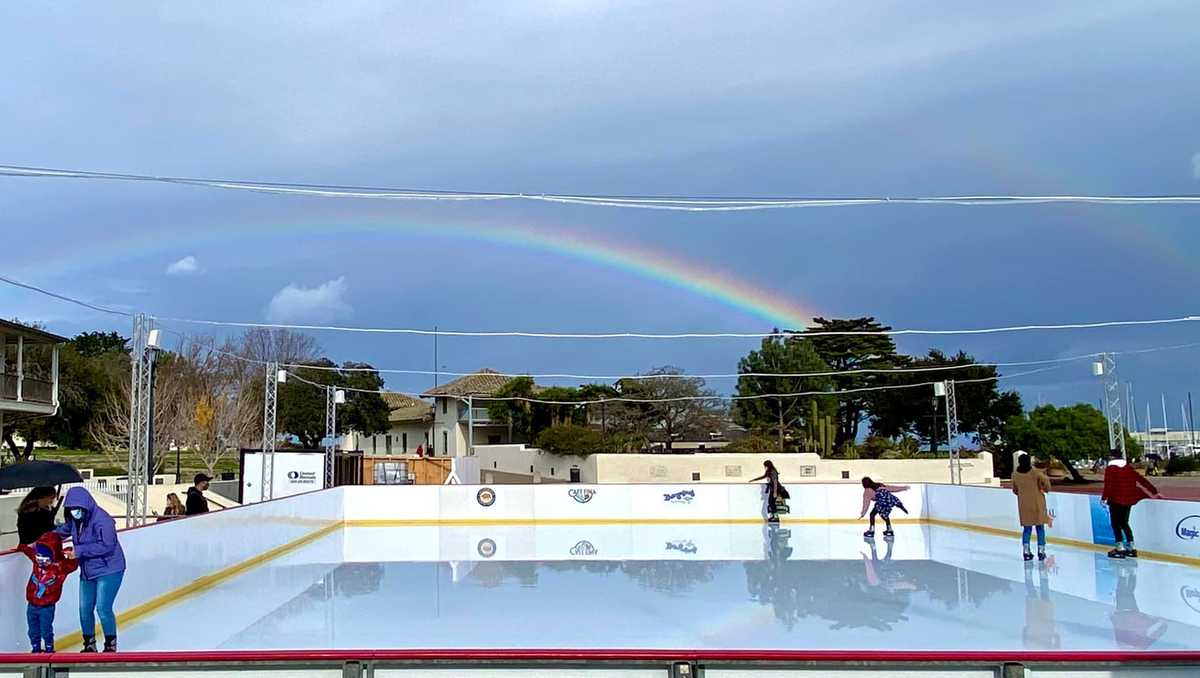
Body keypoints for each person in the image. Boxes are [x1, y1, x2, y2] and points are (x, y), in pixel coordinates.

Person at [55, 487, 126, 653]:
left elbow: (107, 546)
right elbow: (61, 532)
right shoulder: (75, 521)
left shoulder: (104, 521)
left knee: (103, 608)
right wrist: (43, 537)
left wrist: (78, 551)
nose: (74, 512)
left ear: (86, 506)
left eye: (77, 509)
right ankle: (89, 644)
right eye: (71, 509)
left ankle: (110, 645)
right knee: (84, 608)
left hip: (110, 569)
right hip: (88, 571)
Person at [17, 531, 78, 653]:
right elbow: (29, 552)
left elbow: (73, 564)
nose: (41, 562)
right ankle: (36, 648)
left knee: (46, 629)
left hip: (47, 606)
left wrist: (71, 552)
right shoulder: (36, 560)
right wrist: (22, 546)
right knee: (32, 630)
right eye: (39, 558)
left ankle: (49, 648)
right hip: (32, 604)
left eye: (45, 560)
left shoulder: (60, 566)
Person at [1101, 448, 1161, 559]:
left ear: (1112, 457)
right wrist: (1154, 491)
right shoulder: (1128, 468)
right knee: (1124, 522)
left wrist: (1104, 498)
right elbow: (1141, 479)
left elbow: (1108, 485)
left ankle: (1120, 547)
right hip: (1128, 499)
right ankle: (1131, 547)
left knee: (1115, 523)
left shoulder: (1110, 469)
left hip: (1115, 499)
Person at [1012, 452, 1052, 561]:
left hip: (1024, 505)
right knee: (1040, 528)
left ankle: (1026, 551)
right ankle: (1041, 551)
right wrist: (1044, 489)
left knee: (1027, 529)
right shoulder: (1036, 473)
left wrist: (1023, 495)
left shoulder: (1015, 474)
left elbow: (1015, 490)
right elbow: (1046, 483)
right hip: (1038, 504)